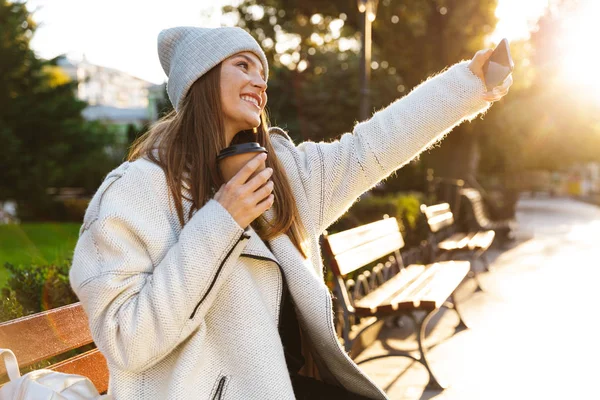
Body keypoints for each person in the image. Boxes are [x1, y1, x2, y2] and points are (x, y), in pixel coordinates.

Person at [69, 26, 512, 400]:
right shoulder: (136, 191)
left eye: (262, 72)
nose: (260, 82)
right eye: (242, 65)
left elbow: (371, 147)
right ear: (199, 80)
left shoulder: (283, 174)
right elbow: (127, 339)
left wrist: (467, 86)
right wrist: (222, 221)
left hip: (286, 385)